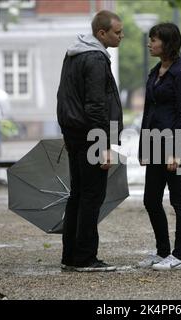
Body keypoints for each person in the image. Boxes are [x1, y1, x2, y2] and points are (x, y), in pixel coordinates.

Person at [56, 10, 124, 272]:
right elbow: (96, 106)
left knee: (77, 195)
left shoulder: (73, 55)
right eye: (117, 33)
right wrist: (104, 145)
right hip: (91, 136)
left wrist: (67, 131)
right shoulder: (95, 58)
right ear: (101, 33)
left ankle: (70, 256)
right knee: (92, 197)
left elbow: (64, 96)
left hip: (75, 133)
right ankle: (85, 258)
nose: (121, 37)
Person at [137, 23, 181, 271]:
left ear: (168, 43)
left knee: (179, 201)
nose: (149, 43)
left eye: (154, 40)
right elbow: (148, 110)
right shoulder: (155, 72)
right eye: (150, 39)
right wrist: (143, 147)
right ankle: (162, 252)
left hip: (173, 145)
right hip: (153, 143)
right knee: (150, 199)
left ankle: (179, 255)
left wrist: (178, 151)